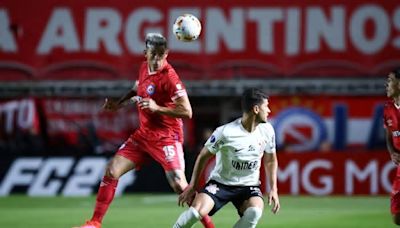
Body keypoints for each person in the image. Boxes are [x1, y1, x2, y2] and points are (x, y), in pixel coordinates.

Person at [75, 33, 214, 228]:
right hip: (143, 137)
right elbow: (136, 87)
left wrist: (158, 108)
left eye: (161, 55)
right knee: (111, 171)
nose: (157, 60)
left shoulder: (170, 78)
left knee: (179, 185)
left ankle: (210, 226)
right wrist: (119, 104)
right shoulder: (144, 68)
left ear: (167, 54)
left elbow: (187, 111)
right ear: (145, 54)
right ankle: (95, 223)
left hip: (167, 137)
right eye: (153, 54)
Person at [173, 88, 280, 228]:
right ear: (256, 109)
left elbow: (271, 159)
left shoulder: (267, 130)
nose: (269, 110)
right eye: (266, 106)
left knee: (254, 212)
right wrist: (193, 186)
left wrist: (274, 189)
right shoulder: (225, 132)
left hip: (248, 186)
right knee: (194, 213)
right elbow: (203, 156)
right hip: (220, 184)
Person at [384, 67, 400, 225]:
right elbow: (389, 135)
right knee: (397, 217)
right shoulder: (388, 108)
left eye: (390, 81)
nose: (386, 85)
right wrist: (392, 152)